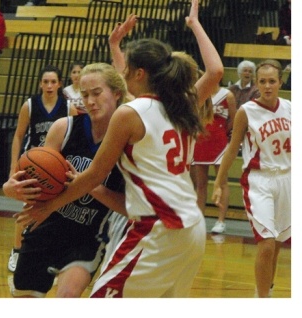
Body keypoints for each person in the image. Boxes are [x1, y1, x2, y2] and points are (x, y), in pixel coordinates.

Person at [15, 0, 224, 298]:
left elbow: (95, 174)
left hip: (157, 227)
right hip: (192, 228)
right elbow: (215, 70)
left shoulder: (130, 114)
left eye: (127, 71)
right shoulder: (182, 107)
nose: (122, 75)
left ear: (139, 74)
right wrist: (193, 24)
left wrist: (48, 206)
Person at [3, 62, 129, 298]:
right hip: (45, 226)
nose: (90, 101)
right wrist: (11, 188)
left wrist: (88, 185)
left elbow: (127, 207)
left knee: (67, 297)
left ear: (117, 93)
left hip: (87, 236)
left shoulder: (128, 143)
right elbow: (34, 181)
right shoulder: (65, 128)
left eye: (97, 93)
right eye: (85, 94)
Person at [212, 59, 291, 297]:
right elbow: (232, 147)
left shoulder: (290, 107)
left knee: (276, 246)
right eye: (263, 81)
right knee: (266, 244)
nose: (267, 86)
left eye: (272, 81)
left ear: (280, 82)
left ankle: (263, 290)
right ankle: (262, 301)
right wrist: (218, 182)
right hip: (260, 180)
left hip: (288, 179)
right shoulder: (247, 111)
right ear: (256, 83)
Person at [7, 65, 78, 273]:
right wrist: (13, 166)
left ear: (59, 84)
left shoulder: (68, 108)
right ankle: (17, 251)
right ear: (40, 84)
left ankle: (51, 256)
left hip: (55, 169)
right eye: (45, 82)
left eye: (53, 82)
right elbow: (19, 135)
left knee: (54, 212)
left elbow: (74, 139)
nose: (49, 85)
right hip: (30, 167)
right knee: (27, 208)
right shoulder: (29, 105)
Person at [191, 83, 236, 234]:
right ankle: (199, 220)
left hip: (219, 143)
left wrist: (222, 133)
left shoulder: (227, 95)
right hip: (200, 142)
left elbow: (233, 120)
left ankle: (221, 221)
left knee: (222, 182)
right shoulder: (198, 94)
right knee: (200, 184)